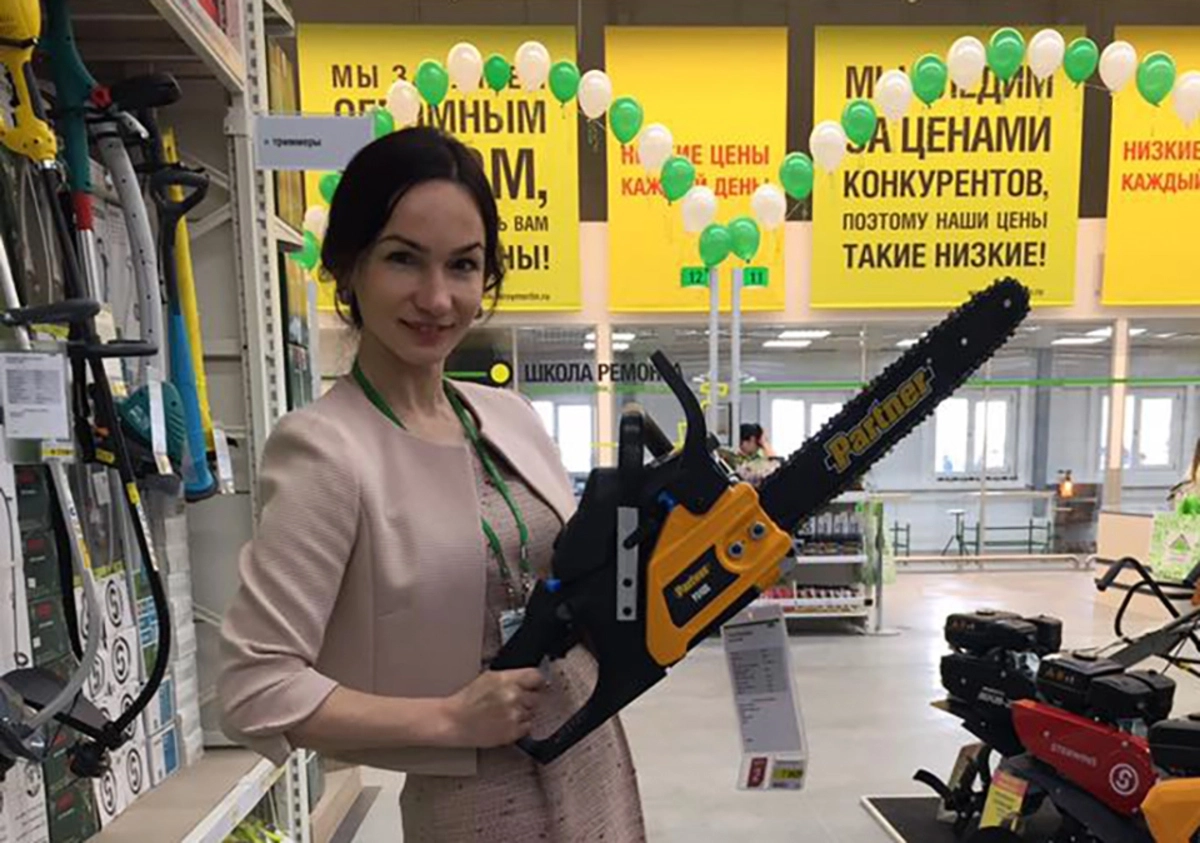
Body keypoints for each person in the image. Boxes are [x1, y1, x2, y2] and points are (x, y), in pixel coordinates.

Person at [217, 127, 645, 841]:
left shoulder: (509, 416)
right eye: (403, 259)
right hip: (479, 802)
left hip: (593, 759)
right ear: (348, 265)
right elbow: (254, 686)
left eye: (463, 265)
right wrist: (447, 719)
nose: (438, 297)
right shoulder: (326, 449)